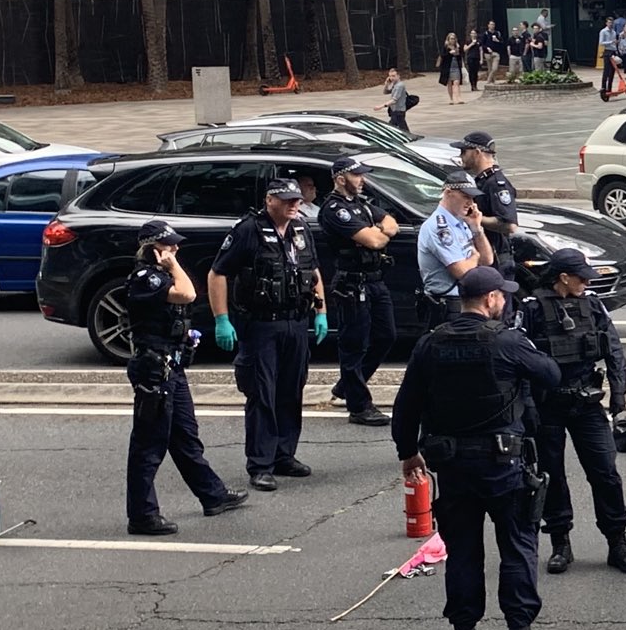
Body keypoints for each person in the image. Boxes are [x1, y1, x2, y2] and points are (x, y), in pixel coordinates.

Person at [392, 265, 563, 630]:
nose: (505, 300)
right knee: (518, 545)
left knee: (463, 551)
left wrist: (407, 453)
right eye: (502, 295)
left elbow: (406, 403)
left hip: (451, 466)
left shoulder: (432, 344)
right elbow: (551, 375)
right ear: (490, 300)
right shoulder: (506, 342)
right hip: (502, 464)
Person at [519, 249, 626, 577]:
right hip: (548, 406)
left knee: (605, 473)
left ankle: (617, 542)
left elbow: (613, 347)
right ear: (563, 277)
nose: (587, 282)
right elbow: (518, 360)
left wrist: (618, 388)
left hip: (586, 403)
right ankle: (560, 543)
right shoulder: (530, 309)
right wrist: (526, 408)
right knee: (552, 475)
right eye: (582, 277)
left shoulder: (592, 305)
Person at [124, 220, 247, 535]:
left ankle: (213, 495)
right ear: (153, 248)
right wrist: (174, 264)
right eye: (169, 245)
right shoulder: (145, 277)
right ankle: (142, 515)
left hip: (171, 368)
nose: (175, 249)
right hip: (154, 369)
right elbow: (188, 293)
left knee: (185, 437)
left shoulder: (162, 275)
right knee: (149, 445)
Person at [208, 176, 325, 494]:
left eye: (297, 200)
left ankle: (284, 455)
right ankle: (260, 465)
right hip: (261, 325)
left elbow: (312, 272)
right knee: (262, 394)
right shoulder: (248, 230)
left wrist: (321, 312)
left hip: (295, 323)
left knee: (292, 389)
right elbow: (218, 273)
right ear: (269, 200)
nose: (294, 205)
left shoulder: (301, 229)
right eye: (287, 200)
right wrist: (222, 319)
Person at [318, 155, 399, 427]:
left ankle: (348, 385)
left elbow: (391, 224)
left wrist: (377, 232)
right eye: (357, 175)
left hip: (375, 280)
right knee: (354, 344)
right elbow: (375, 240)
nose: (362, 179)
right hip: (352, 283)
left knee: (386, 335)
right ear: (341, 178)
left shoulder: (361, 204)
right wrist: (376, 233)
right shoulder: (334, 209)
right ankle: (359, 405)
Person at [418, 174, 494, 322]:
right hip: (448, 305)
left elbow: (487, 260)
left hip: (464, 302)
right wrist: (474, 257)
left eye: (472, 198)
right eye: (466, 196)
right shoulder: (438, 227)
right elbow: (462, 272)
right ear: (448, 193)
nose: (470, 203)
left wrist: (477, 229)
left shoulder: (461, 222)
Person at [454, 130, 518, 244]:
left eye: (464, 151)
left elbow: (510, 225)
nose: (460, 156)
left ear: (477, 152)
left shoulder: (496, 184)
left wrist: (473, 218)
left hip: (496, 257)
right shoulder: (482, 180)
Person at [438, 31, 465, 104]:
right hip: (448, 67)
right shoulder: (445, 47)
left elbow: (462, 55)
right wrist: (449, 53)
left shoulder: (458, 46)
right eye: (451, 39)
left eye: (454, 38)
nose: (453, 40)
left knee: (456, 82)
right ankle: (451, 98)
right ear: (448, 39)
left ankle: (458, 98)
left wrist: (458, 52)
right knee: (449, 83)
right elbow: (442, 55)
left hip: (456, 66)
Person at [381, 67, 411, 131]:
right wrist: (386, 84)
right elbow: (385, 92)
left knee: (392, 128)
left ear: (398, 76)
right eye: (390, 76)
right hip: (395, 111)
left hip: (399, 111)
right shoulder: (395, 85)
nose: (391, 78)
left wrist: (382, 106)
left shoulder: (399, 85)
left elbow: (394, 100)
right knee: (396, 128)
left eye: (393, 76)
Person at [596, 16, 617, 97]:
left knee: (612, 71)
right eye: (609, 22)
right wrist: (611, 42)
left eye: (612, 23)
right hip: (607, 51)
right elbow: (601, 42)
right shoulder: (603, 31)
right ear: (606, 23)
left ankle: (609, 88)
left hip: (613, 51)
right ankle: (603, 88)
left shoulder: (614, 32)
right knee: (606, 71)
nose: (610, 24)